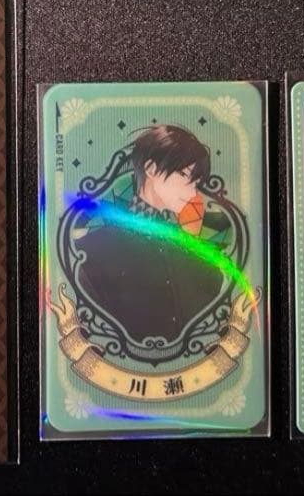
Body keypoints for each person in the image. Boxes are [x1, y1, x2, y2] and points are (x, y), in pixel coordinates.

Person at [75, 125, 231, 359]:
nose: (192, 193)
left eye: (196, 183)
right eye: (185, 177)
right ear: (151, 169)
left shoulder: (197, 255)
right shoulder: (92, 250)